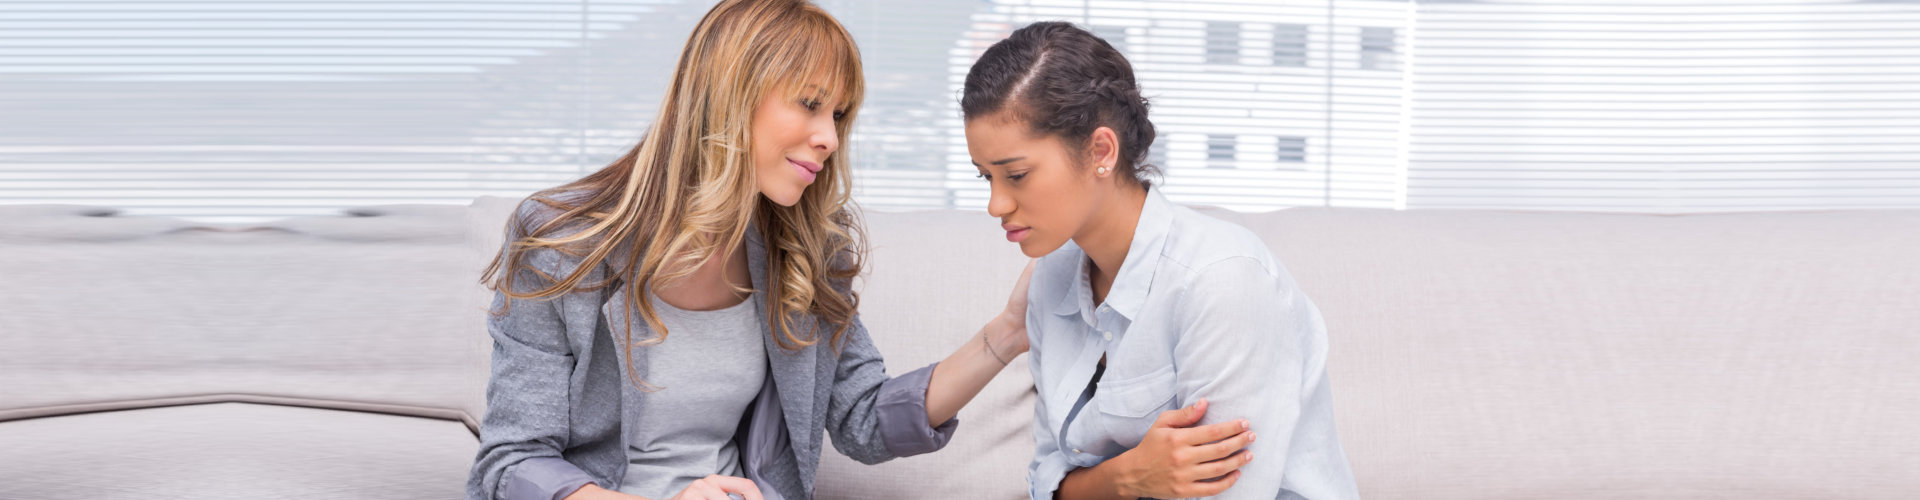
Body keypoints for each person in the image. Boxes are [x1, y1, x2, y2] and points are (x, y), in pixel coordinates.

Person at [467, 2, 1031, 499]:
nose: (830, 139)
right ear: (730, 96)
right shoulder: (564, 242)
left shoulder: (806, 250)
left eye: (837, 115)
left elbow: (863, 419)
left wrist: (1007, 333)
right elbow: (512, 464)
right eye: (809, 103)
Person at [962, 21, 1360, 500]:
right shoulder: (1052, 277)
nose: (996, 205)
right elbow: (1047, 477)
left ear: (1100, 151)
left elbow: (1228, 492)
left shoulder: (1223, 280)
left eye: (1017, 175)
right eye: (986, 178)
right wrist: (1124, 478)